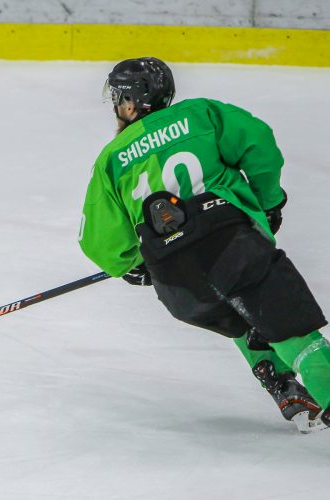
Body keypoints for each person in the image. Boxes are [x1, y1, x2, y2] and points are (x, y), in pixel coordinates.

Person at [78, 57, 330, 433]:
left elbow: (100, 242)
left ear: (130, 103)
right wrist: (268, 200)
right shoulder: (201, 114)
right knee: (296, 334)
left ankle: (280, 380)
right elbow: (259, 142)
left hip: (176, 284)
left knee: (242, 319)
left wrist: (135, 266)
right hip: (231, 244)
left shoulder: (111, 160)